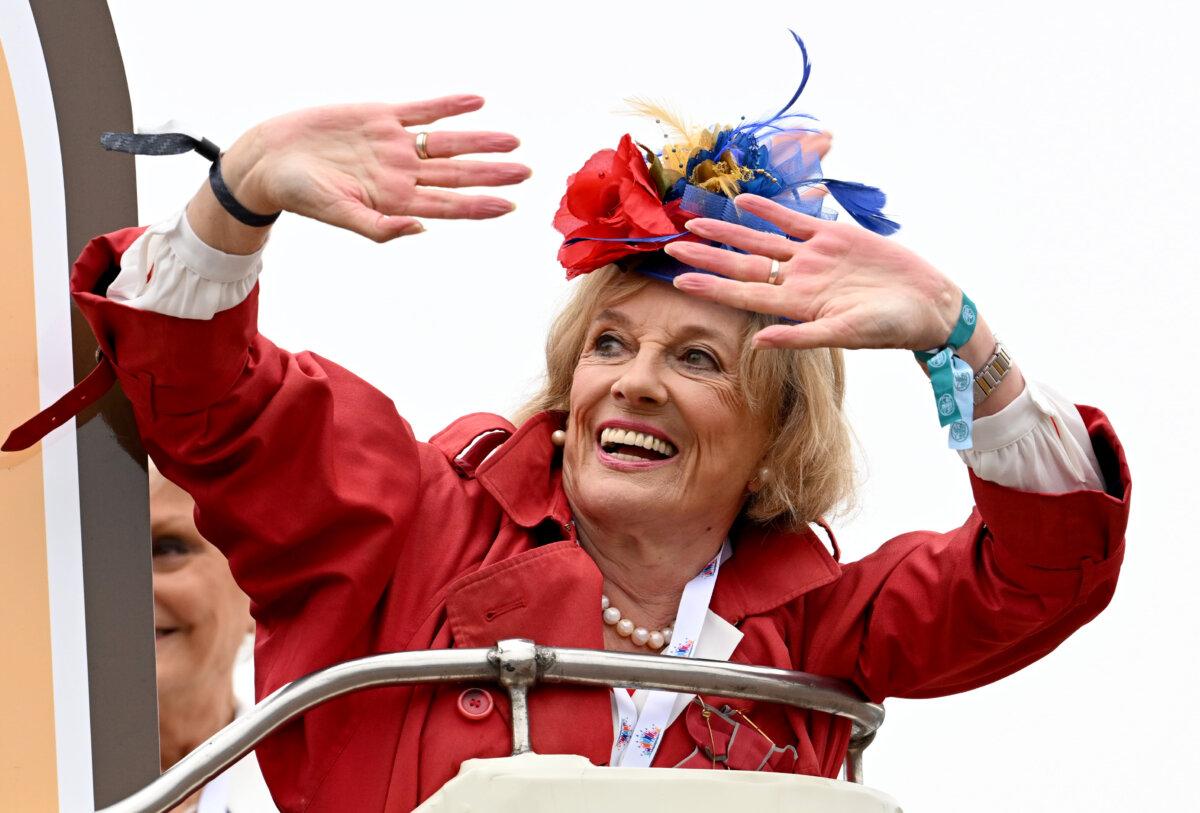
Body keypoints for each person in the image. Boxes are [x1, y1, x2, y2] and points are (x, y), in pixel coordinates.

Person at [7, 45, 1128, 812]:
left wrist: (961, 341)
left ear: (777, 436)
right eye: (608, 345)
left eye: (694, 359)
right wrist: (237, 197)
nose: (632, 384)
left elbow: (1040, 577)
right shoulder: (411, 529)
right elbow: (208, 394)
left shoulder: (817, 626)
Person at [150, 465, 277, 812]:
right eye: (93, 557)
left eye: (167, 548)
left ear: (255, 585)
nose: (123, 589)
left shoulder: (329, 789)